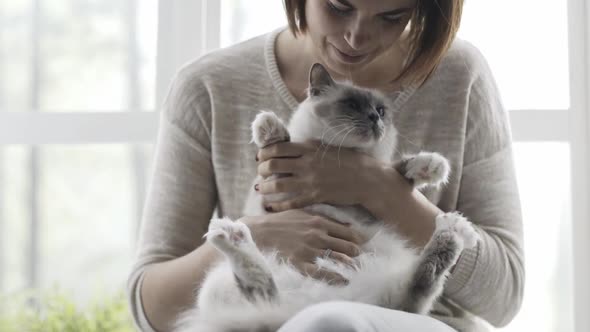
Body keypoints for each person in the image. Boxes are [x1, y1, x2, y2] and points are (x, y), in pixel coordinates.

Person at [127, 0, 525, 331]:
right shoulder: (207, 86)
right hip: (270, 311)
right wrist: (259, 235)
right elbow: (150, 307)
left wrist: (379, 188)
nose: (356, 37)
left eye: (392, 16)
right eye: (338, 6)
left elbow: (503, 296)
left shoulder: (459, 74)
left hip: (399, 318)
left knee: (329, 323)